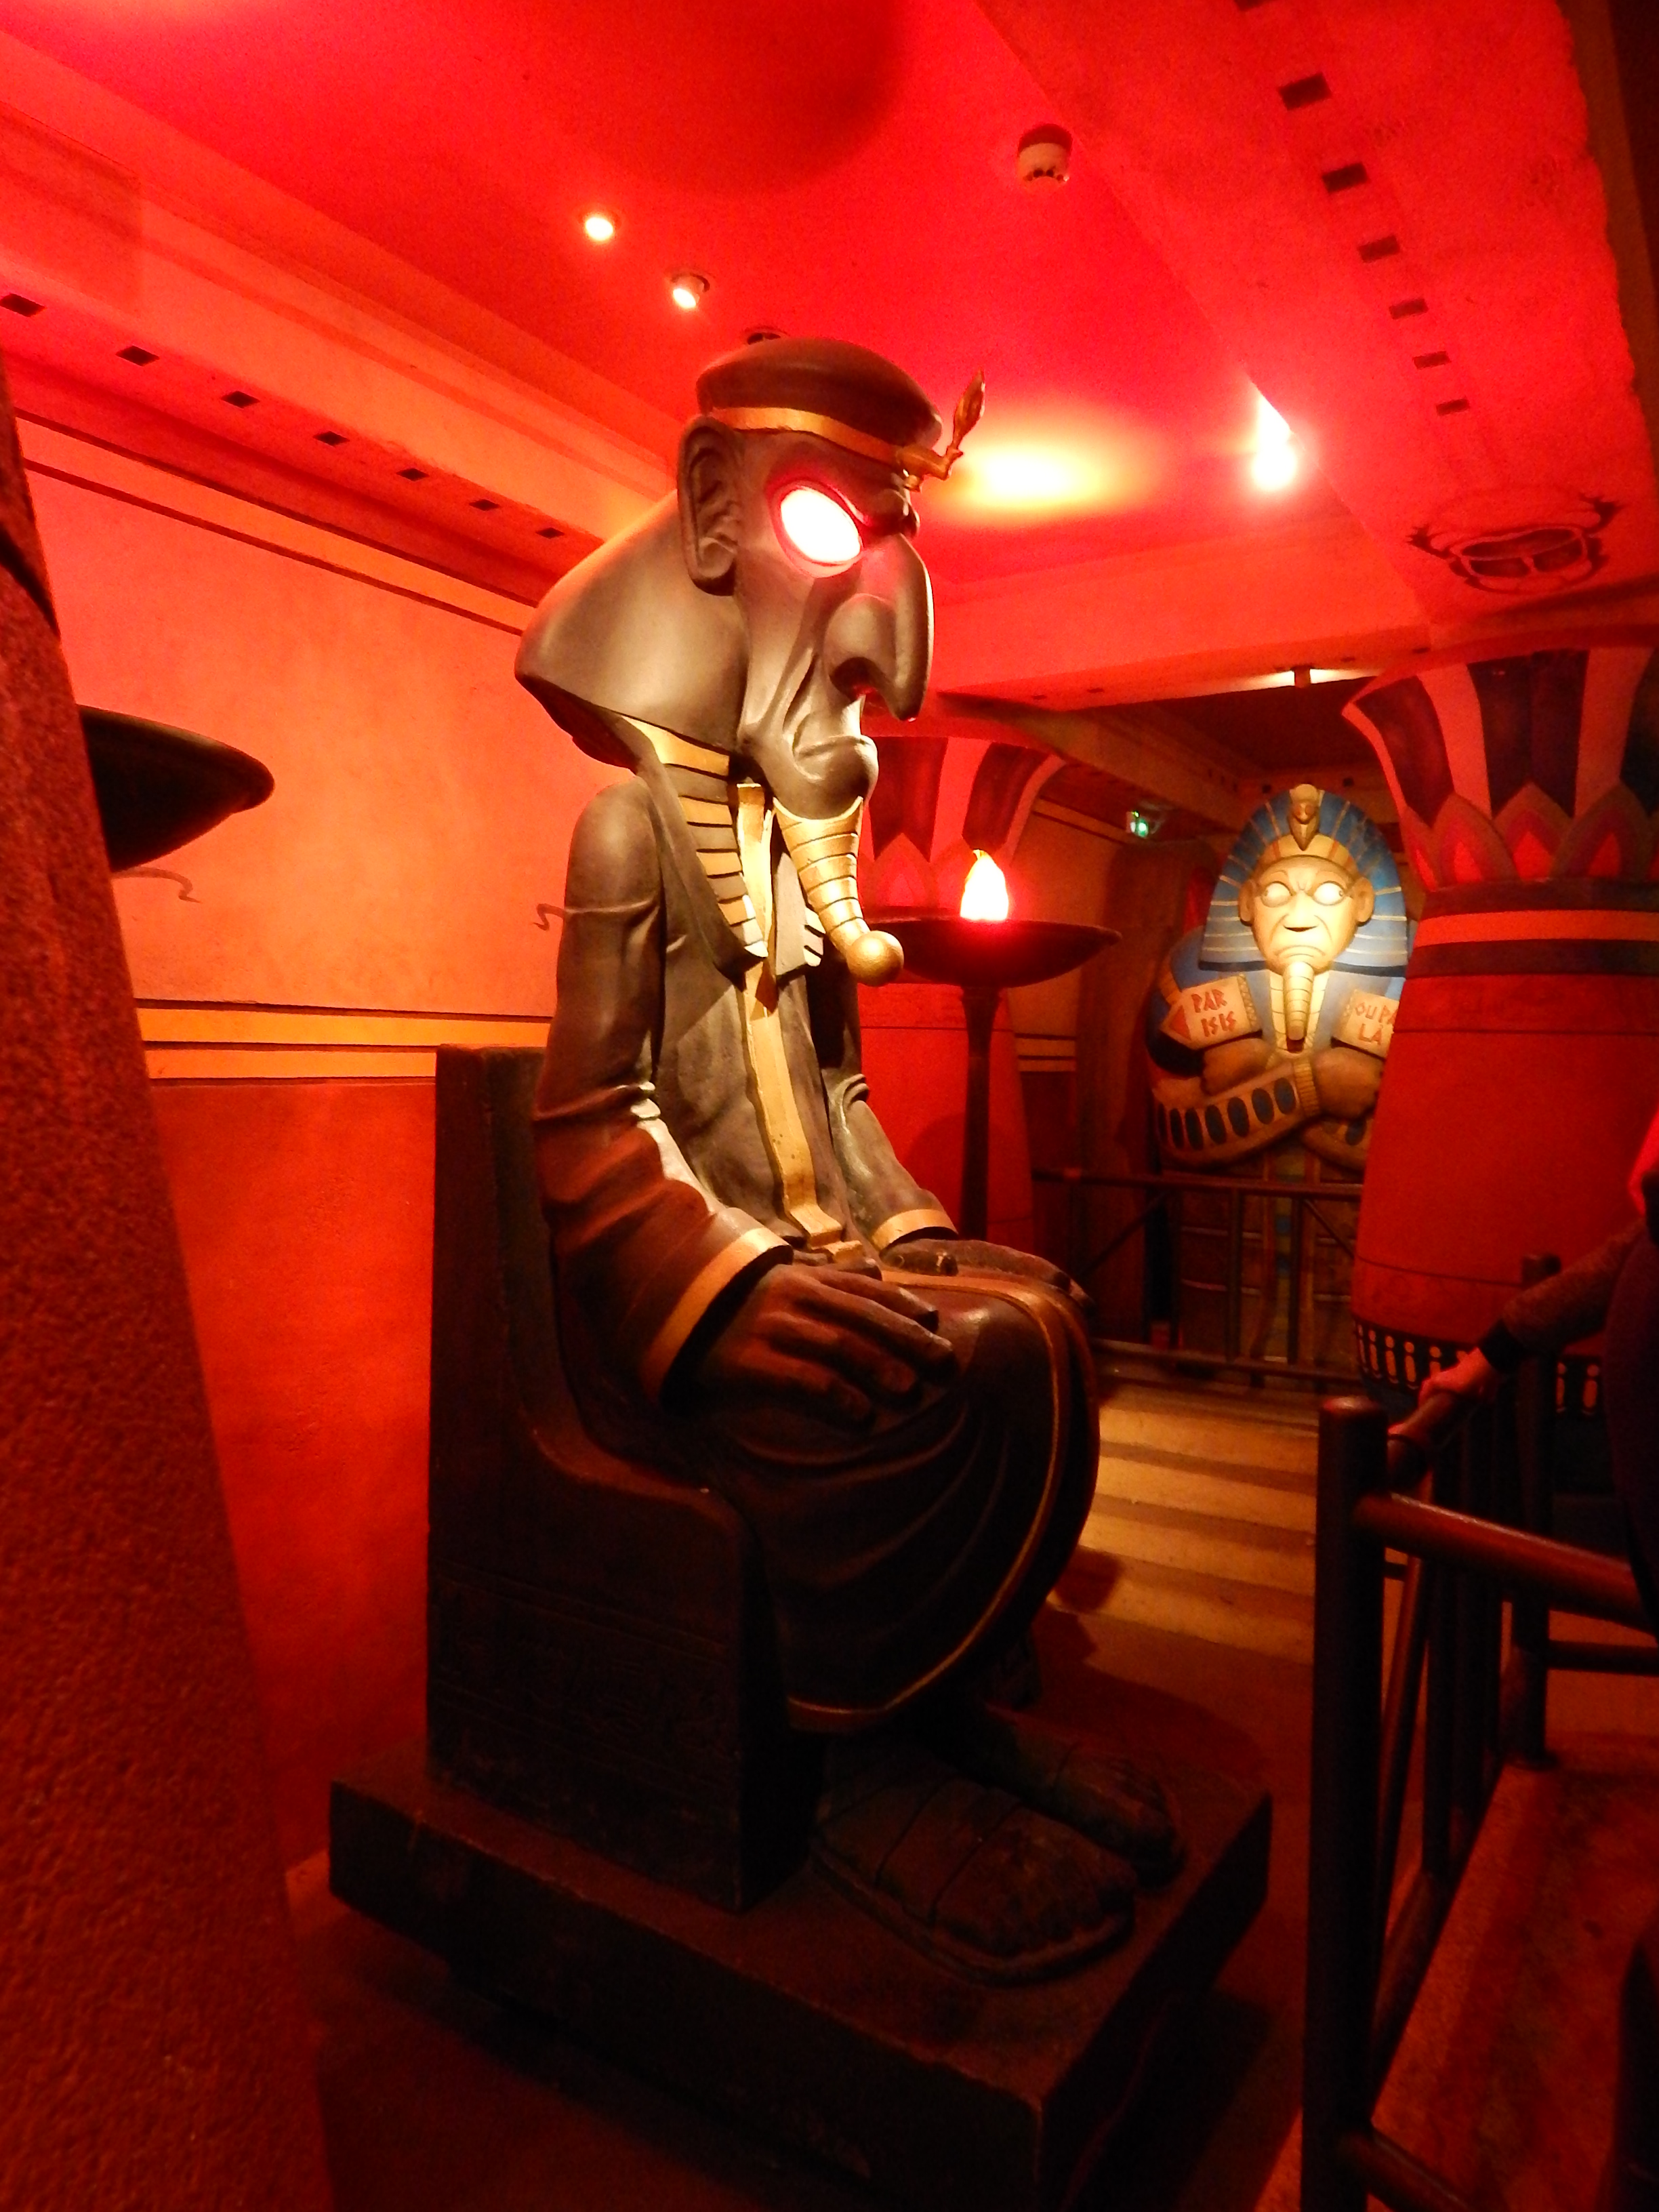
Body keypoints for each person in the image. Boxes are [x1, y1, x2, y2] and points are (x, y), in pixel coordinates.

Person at [516, 337, 1180, 1982]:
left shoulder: (795, 863)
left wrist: (920, 1238)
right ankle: (861, 1772)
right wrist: (729, 1290)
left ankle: (941, 1711)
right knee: (925, 1379)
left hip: (814, 1243)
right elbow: (594, 1117)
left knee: (1036, 1323)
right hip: (687, 1294)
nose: (878, 622)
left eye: (898, 540)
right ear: (708, 512)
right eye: (827, 526)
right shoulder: (630, 831)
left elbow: (841, 1100)